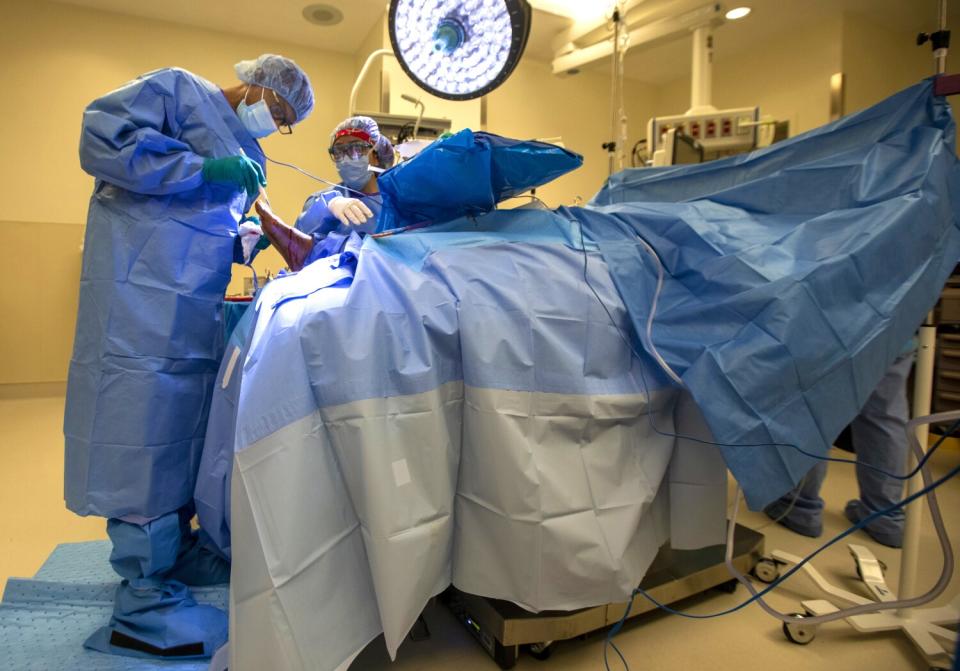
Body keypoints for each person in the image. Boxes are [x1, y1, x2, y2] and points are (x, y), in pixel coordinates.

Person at [63, 54, 314, 659]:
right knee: (138, 423)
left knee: (183, 426)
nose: (271, 120)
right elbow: (102, 136)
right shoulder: (178, 90)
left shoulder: (248, 154)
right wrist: (204, 168)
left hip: (191, 300)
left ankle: (174, 553)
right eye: (275, 107)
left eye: (282, 121)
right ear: (255, 82)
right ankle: (142, 599)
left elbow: (215, 214)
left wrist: (246, 237)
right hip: (137, 287)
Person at [764, 351, 915, 548]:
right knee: (884, 414)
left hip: (834, 328)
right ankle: (885, 517)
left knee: (813, 405)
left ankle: (799, 507)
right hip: (895, 329)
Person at [294, 115, 395, 258]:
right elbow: (298, 239)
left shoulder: (396, 202)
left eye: (357, 149)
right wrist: (329, 206)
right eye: (339, 151)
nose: (346, 158)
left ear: (376, 155)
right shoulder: (324, 200)